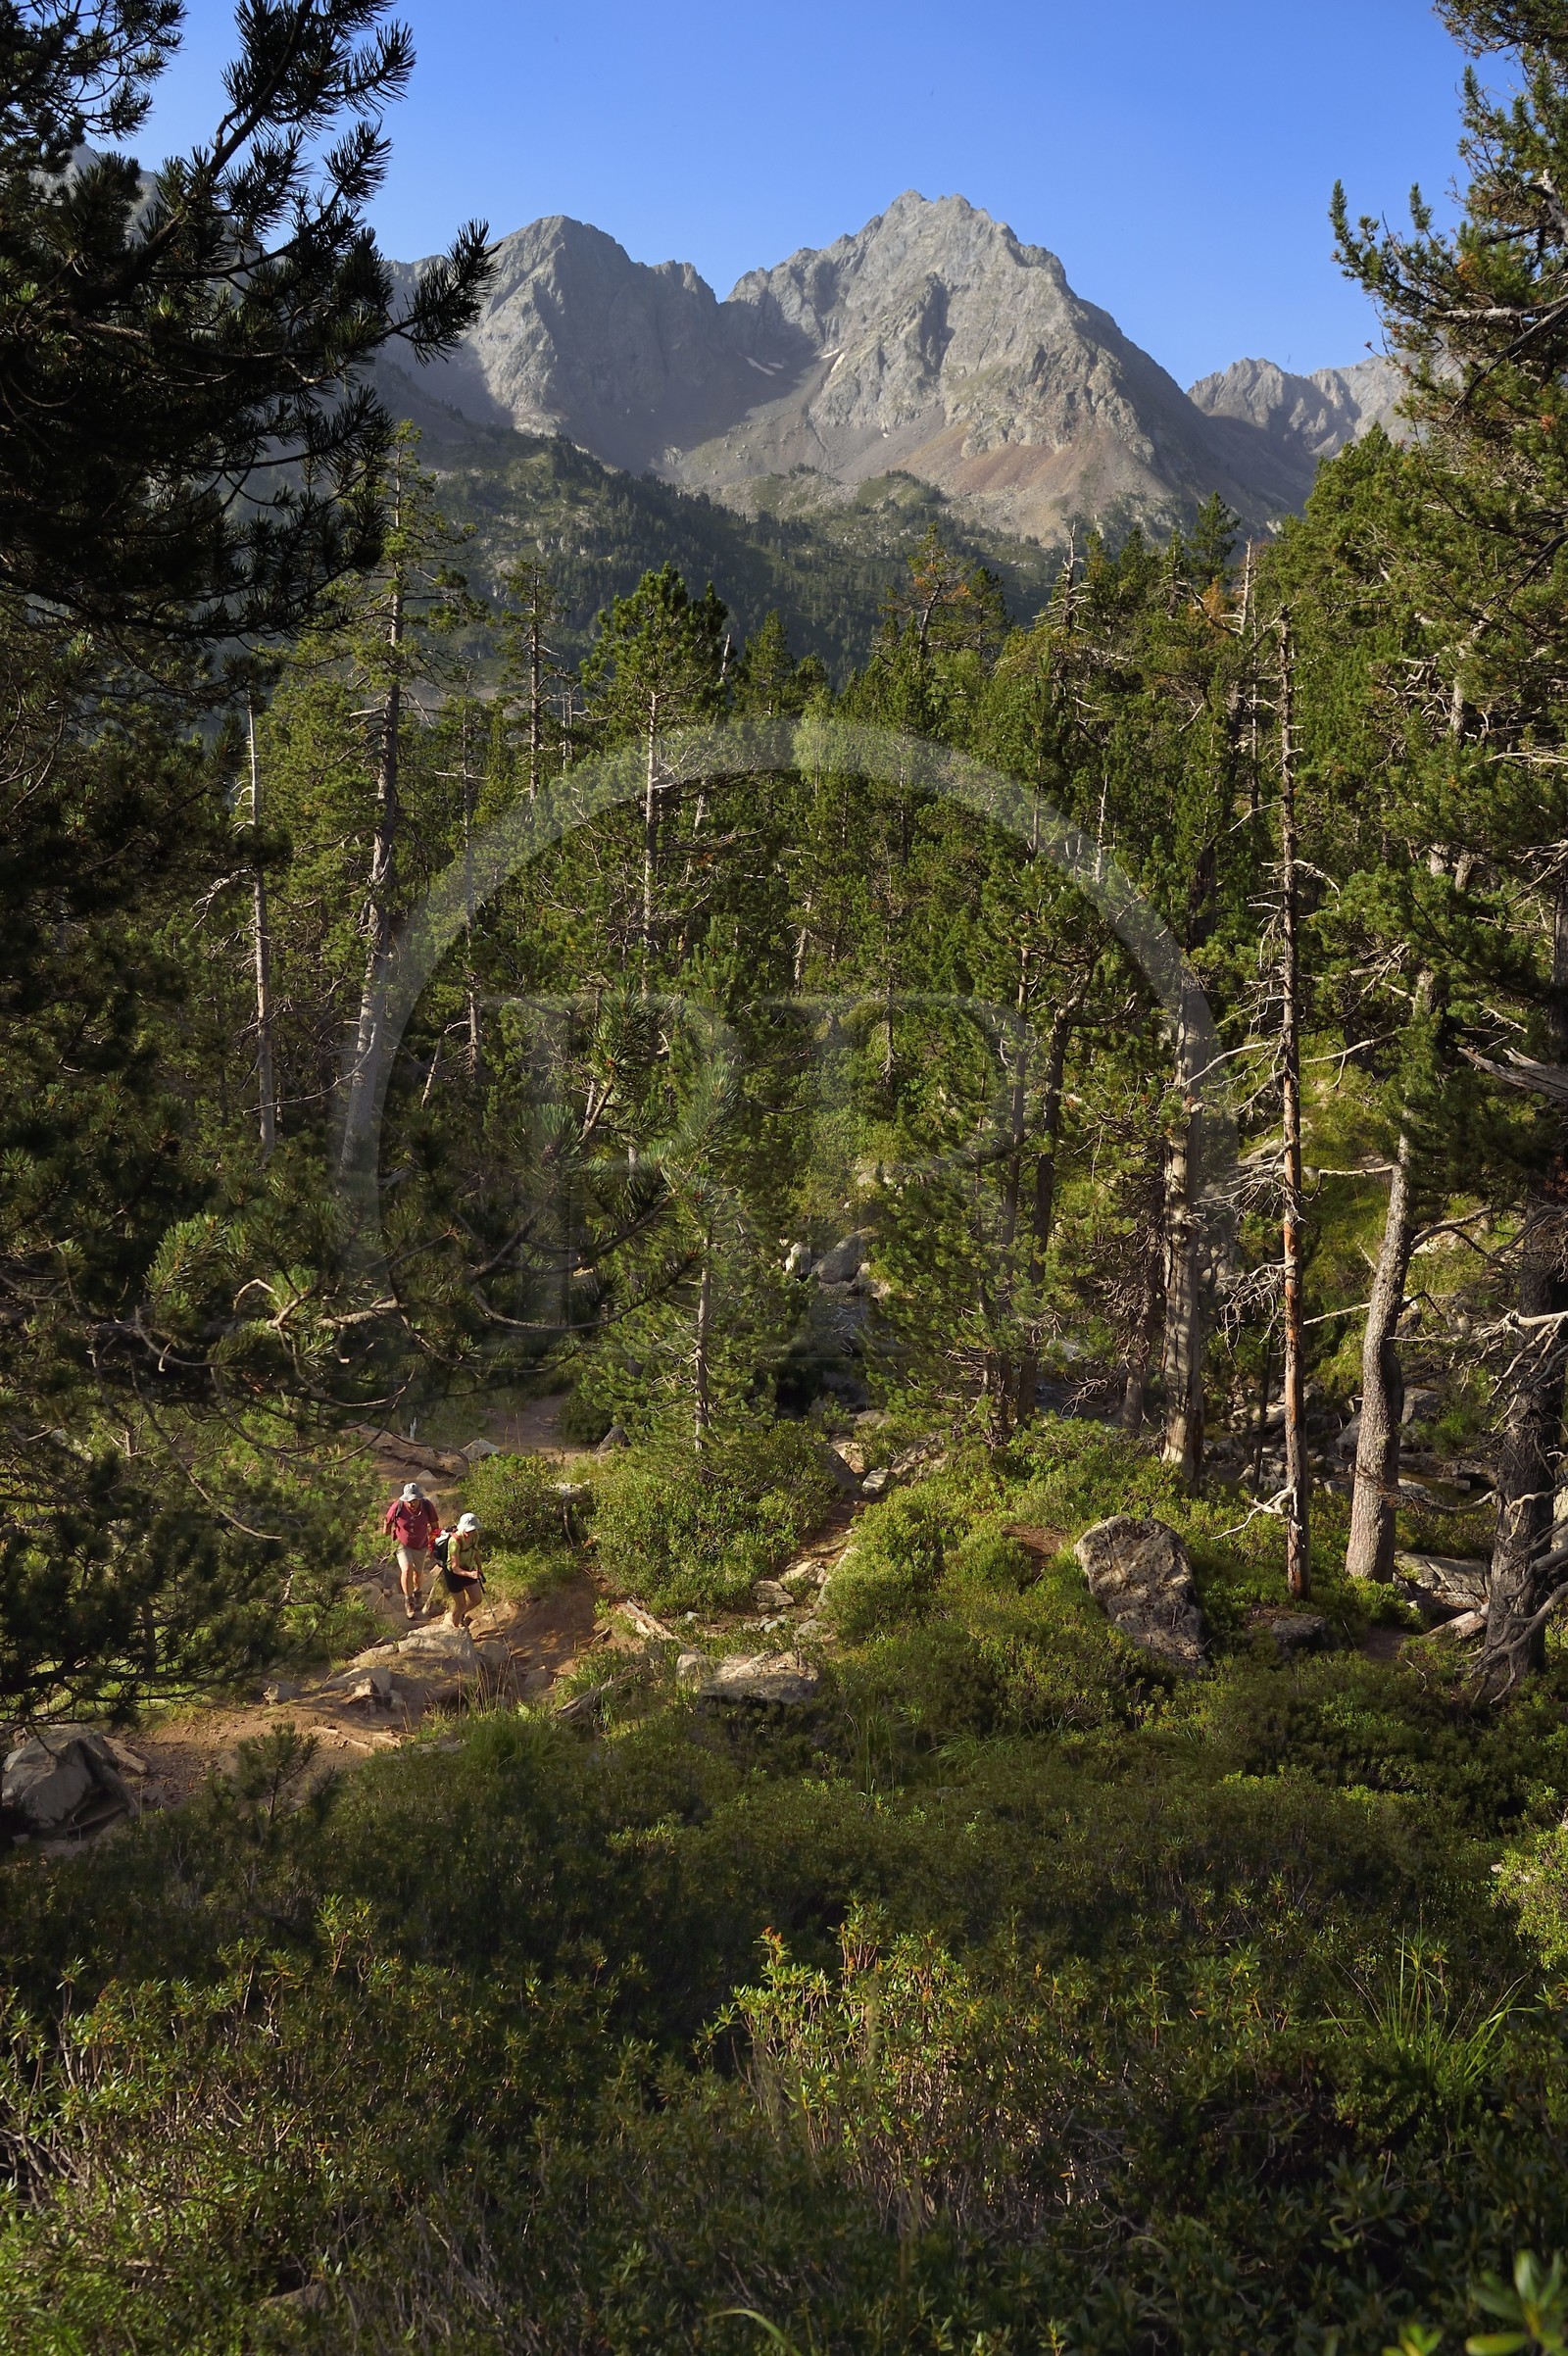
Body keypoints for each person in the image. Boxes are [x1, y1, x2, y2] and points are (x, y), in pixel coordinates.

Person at [383, 1481, 440, 1620]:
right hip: (402, 1544)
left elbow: (435, 1526)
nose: (412, 1503)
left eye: (414, 1500)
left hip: (421, 1544)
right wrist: (386, 1540)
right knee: (407, 1569)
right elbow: (388, 1521)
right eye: (409, 1500)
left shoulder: (427, 1506)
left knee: (418, 1574)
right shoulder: (398, 1506)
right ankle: (409, 1601)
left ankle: (418, 1592)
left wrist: (435, 1543)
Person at [441, 1510, 485, 1629]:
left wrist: (479, 1568)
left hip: (469, 1569)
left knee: (477, 1599)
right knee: (460, 1605)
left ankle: (458, 1615)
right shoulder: (454, 1541)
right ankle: (456, 1628)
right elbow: (455, 1568)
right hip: (453, 1574)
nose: (470, 1532)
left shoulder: (475, 1536)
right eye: (468, 1530)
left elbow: (475, 1552)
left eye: (472, 1530)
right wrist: (470, 1574)